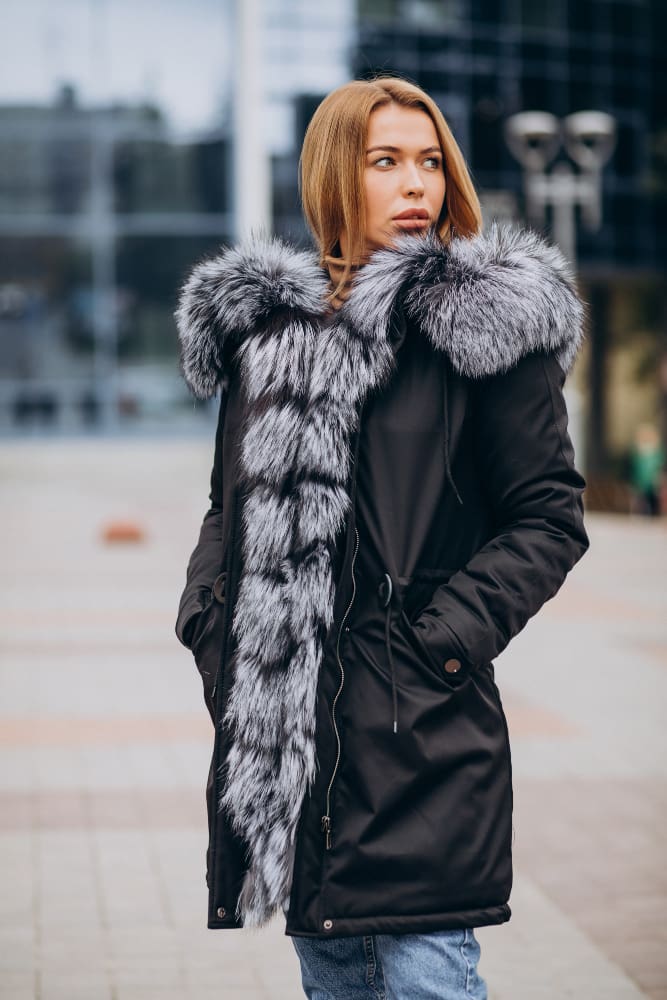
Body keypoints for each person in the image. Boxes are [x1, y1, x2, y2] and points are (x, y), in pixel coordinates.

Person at [174, 76, 589, 1000]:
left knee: (430, 978)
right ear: (334, 177)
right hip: (295, 759)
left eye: (430, 162)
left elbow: (548, 516)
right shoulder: (268, 337)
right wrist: (210, 625)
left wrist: (438, 645)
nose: (415, 184)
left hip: (422, 743)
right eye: (386, 161)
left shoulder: (484, 327)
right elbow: (224, 507)